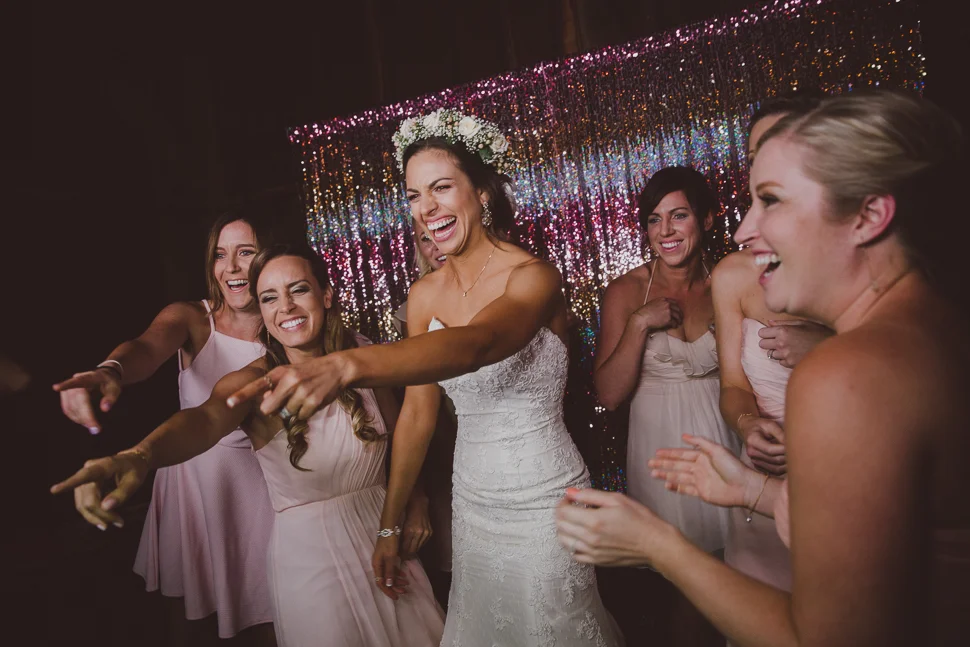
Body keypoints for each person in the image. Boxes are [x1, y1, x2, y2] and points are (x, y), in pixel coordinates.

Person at [555, 90, 970, 646]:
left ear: (869, 215)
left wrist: (657, 544)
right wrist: (755, 491)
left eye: (771, 200)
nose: (742, 230)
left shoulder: (849, 372)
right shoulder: (934, 325)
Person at [226, 108, 623, 647]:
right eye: (414, 194)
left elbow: (478, 344)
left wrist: (349, 364)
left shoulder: (534, 277)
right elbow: (416, 415)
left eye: (441, 187)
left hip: (544, 498)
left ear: (481, 191)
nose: (426, 207)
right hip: (472, 502)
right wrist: (389, 526)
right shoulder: (424, 295)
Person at [52, 245, 445, 647]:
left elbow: (403, 435)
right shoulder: (252, 383)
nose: (286, 307)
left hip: (385, 537)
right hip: (312, 559)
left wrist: (410, 507)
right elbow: (203, 420)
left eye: (299, 290)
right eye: (270, 298)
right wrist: (140, 455)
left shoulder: (363, 358)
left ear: (326, 295)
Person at [52, 212, 277, 644]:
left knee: (269, 610)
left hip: (263, 485)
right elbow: (146, 346)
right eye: (220, 255)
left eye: (245, 252)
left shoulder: (289, 323)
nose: (230, 267)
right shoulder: (193, 317)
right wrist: (111, 370)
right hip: (192, 477)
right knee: (190, 613)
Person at [710, 91, 831, 594]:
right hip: (765, 479)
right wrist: (748, 425)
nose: (744, 232)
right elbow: (733, 385)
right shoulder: (733, 276)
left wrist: (826, 347)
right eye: (755, 155)